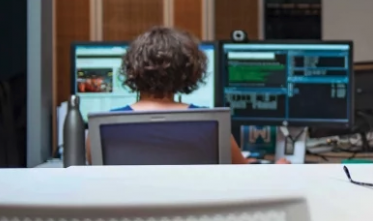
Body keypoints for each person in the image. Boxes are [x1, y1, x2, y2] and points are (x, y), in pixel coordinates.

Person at [86, 26, 289, 165]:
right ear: (189, 72)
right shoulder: (213, 127)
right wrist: (278, 169)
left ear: (132, 69)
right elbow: (249, 182)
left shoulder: (100, 132)